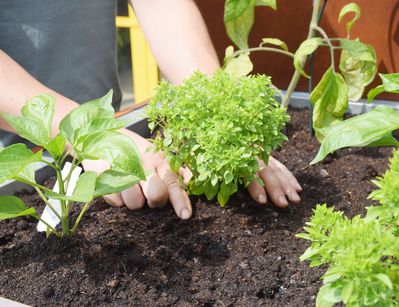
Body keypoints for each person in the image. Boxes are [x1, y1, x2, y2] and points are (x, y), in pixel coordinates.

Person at [0, 0, 302, 220]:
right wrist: (92, 135)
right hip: (14, 166)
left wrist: (217, 117)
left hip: (108, 130)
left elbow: (160, 6)